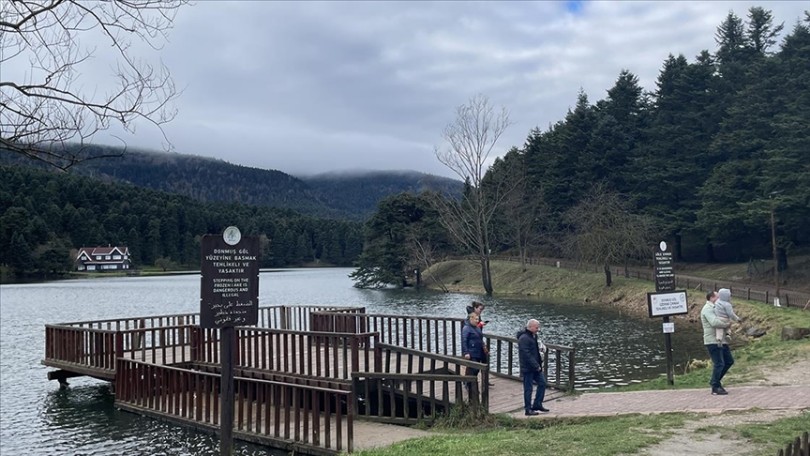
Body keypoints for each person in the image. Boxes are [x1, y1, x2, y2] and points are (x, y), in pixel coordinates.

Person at [701, 290, 734, 395]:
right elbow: (714, 322)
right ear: (711, 298)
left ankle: (715, 381)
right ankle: (715, 386)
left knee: (729, 361)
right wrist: (727, 324)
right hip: (712, 341)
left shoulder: (717, 308)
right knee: (719, 363)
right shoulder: (707, 309)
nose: (720, 299)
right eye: (718, 297)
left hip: (721, 340)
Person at [517, 318, 549, 415]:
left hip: (536, 367)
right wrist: (536, 365)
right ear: (530, 327)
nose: (538, 329)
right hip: (528, 368)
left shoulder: (533, 336)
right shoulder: (524, 338)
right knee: (528, 388)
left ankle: (537, 404)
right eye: (536, 328)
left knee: (542, 383)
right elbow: (526, 354)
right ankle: (528, 409)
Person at [461, 312, 486, 393]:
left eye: (478, 319)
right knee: (473, 369)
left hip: (479, 351)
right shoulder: (466, 328)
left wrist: (484, 346)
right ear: (471, 319)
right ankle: (470, 385)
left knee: (477, 369)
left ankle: (469, 384)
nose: (477, 321)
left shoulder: (477, 328)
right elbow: (464, 341)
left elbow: (480, 338)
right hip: (471, 352)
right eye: (476, 319)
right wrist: (466, 352)